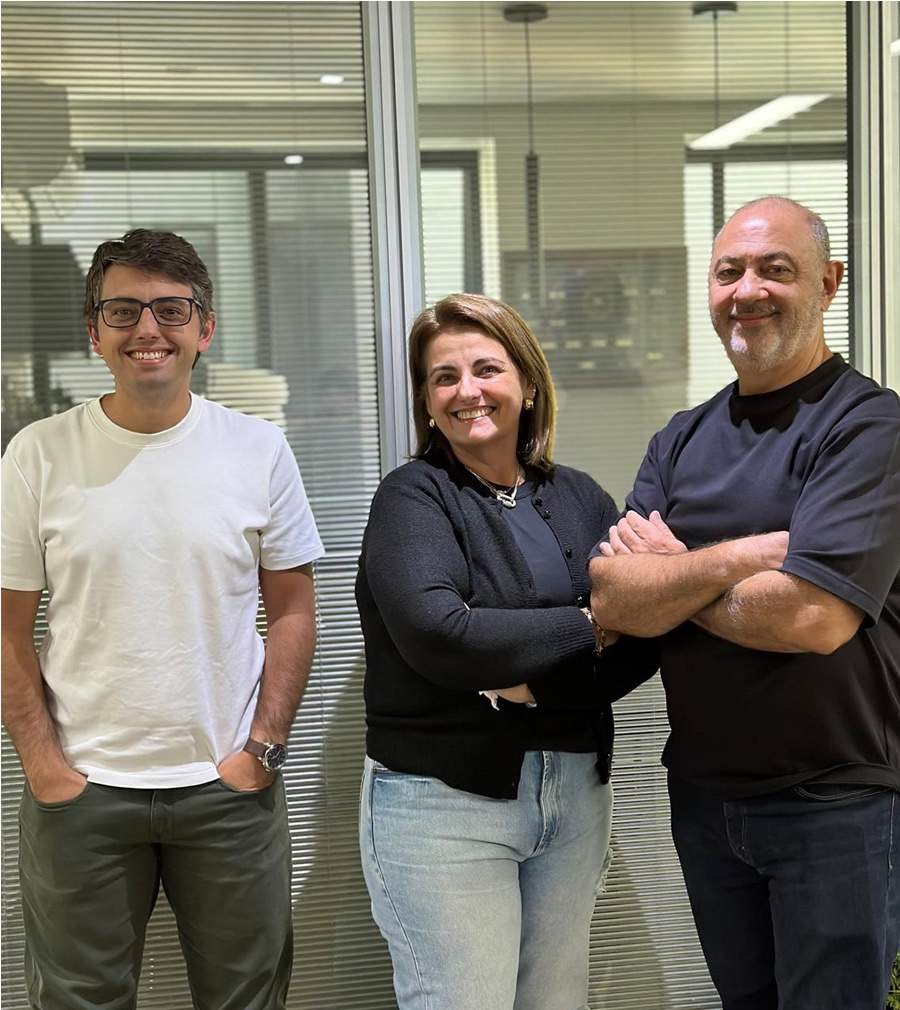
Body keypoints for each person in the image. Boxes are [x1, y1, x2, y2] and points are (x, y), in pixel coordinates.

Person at [589, 196, 900, 1010]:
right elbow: (614, 595)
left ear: (828, 284)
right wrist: (742, 558)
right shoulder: (680, 439)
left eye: (776, 270)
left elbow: (814, 617)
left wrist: (675, 574)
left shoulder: (868, 427)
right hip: (705, 798)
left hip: (834, 801)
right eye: (729, 271)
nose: (748, 290)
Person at [1, 229, 324, 1010]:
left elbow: (293, 611)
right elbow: (7, 630)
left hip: (228, 793)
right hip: (84, 797)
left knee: (248, 999)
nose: (147, 329)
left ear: (204, 328)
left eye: (171, 310)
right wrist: (44, 766)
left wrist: (262, 751)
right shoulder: (37, 455)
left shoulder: (259, 450)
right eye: (123, 310)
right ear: (94, 331)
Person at [356, 292, 657, 1010]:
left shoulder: (579, 498)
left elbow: (649, 634)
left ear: (527, 384)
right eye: (444, 377)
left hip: (574, 795)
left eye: (486, 369)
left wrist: (532, 683)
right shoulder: (412, 499)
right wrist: (593, 622)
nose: (467, 390)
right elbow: (440, 634)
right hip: (443, 803)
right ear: (428, 403)